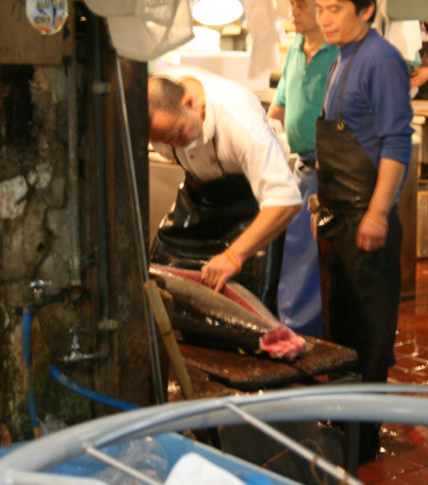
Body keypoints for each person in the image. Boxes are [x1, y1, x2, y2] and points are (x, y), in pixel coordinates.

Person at [313, 0, 413, 461]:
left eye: (334, 7)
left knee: (370, 334)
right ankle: (343, 430)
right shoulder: (341, 58)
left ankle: (363, 443)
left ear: (367, 8)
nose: (324, 18)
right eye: (319, 7)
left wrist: (377, 213)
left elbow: (396, 142)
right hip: (340, 216)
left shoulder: (381, 59)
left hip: (365, 220)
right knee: (342, 329)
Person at [148, 68, 302, 293]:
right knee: (165, 287)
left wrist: (233, 256)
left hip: (250, 210)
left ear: (190, 102)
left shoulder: (239, 119)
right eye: (163, 141)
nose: (172, 146)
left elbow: (285, 200)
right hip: (198, 206)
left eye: (176, 135)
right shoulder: (164, 115)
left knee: (250, 309)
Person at [267, 0, 338, 338]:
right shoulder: (295, 47)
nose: (293, 10)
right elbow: (278, 107)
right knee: (295, 255)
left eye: (301, 4)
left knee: (310, 259)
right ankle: (291, 331)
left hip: (329, 171)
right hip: (300, 168)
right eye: (291, 3)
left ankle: (303, 339)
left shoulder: (337, 52)